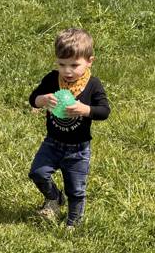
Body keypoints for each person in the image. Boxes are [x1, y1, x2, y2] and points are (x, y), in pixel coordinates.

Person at [28, 28, 111, 228]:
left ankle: (73, 223)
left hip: (78, 149)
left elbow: (104, 111)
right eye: (62, 64)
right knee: (37, 173)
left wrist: (85, 109)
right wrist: (42, 99)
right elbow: (33, 99)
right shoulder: (52, 79)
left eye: (74, 65)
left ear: (90, 61)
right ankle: (55, 197)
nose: (67, 71)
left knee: (76, 189)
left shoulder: (93, 85)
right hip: (52, 143)